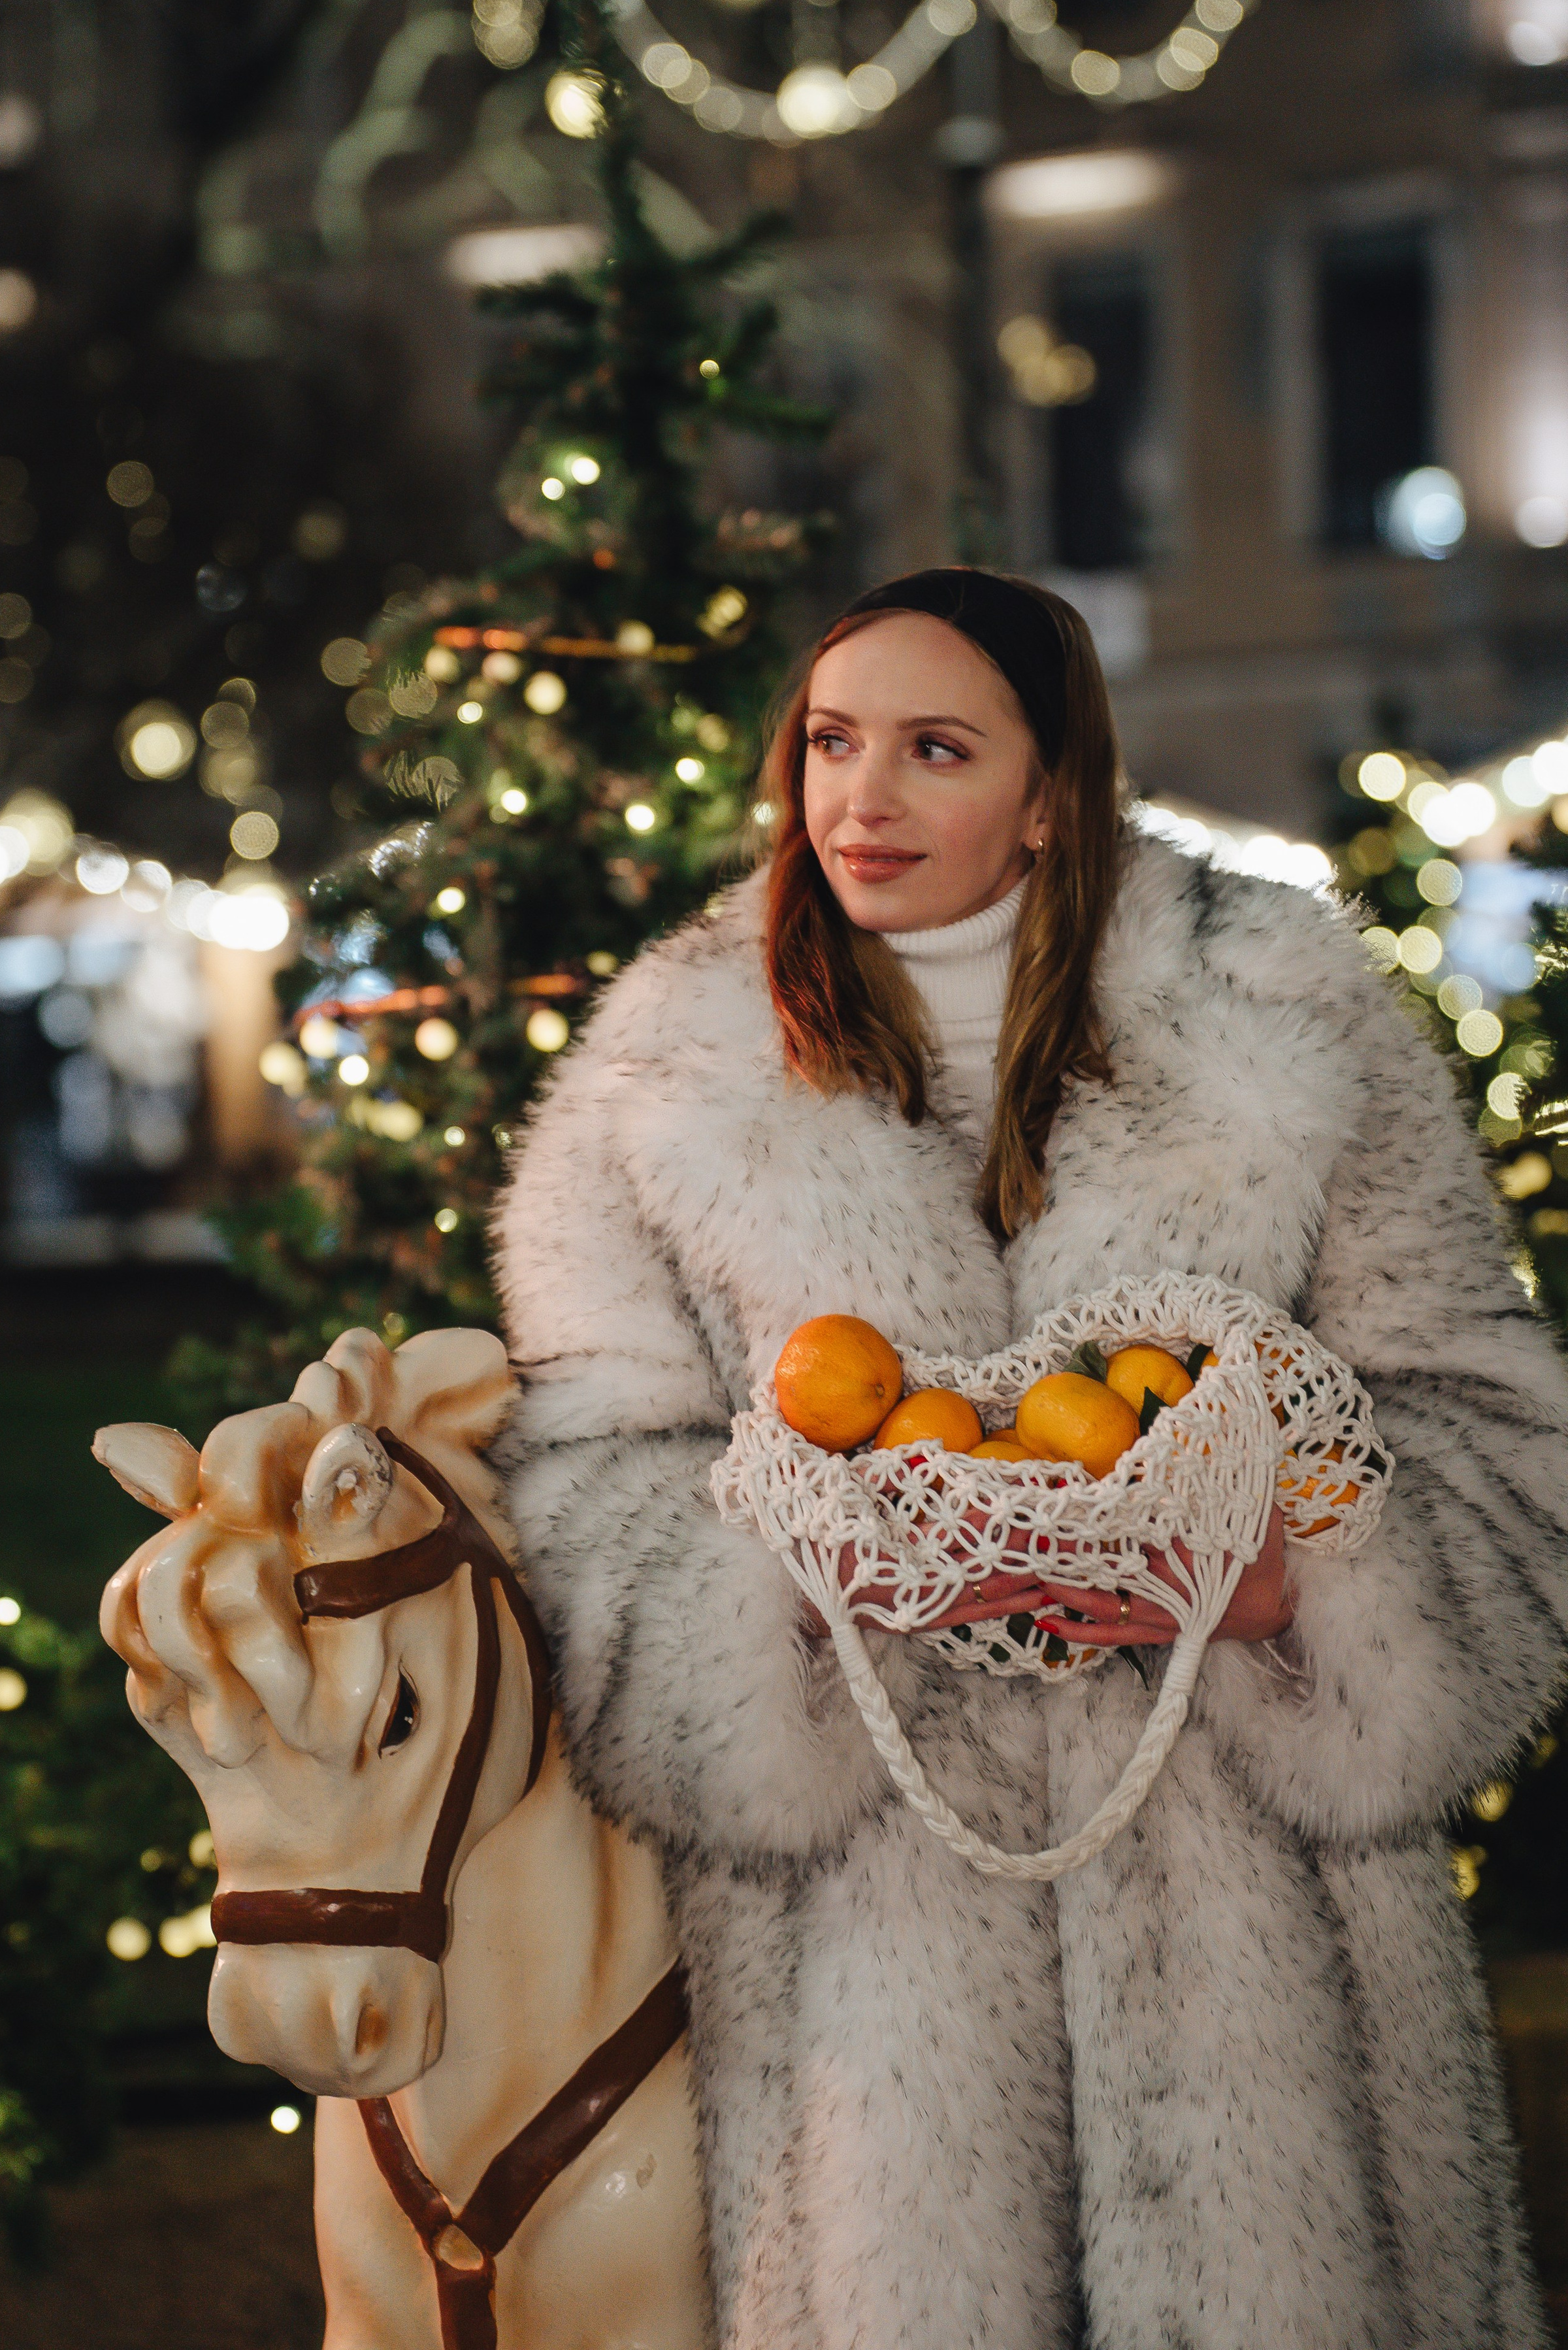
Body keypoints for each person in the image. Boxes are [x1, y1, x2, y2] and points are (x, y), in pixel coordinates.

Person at [493, 566, 1567, 2350]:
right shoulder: (666, 1078)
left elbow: (1487, 1420)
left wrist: (1311, 1575)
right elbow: (586, 1489)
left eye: (934, 748)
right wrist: (804, 1574)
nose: (862, 799)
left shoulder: (1288, 1020)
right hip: (870, 2021)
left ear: (1053, 789)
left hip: (1267, 1990)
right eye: (832, 744)